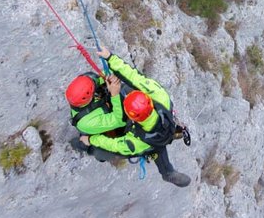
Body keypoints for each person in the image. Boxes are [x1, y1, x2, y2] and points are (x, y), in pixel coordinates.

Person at [79, 47, 191, 187]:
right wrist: (110, 58)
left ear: (132, 118)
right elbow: (134, 77)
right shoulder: (159, 95)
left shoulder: (137, 143)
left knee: (101, 150)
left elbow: (114, 145)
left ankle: (167, 173)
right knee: (126, 89)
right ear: (148, 101)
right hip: (164, 126)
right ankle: (168, 172)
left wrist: (90, 139)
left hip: (150, 142)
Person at [66, 70, 128, 162]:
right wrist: (115, 94)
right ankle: (91, 148)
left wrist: (109, 77)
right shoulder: (88, 122)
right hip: (98, 127)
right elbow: (120, 120)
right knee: (102, 151)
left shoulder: (84, 85)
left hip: (102, 112)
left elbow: (98, 78)